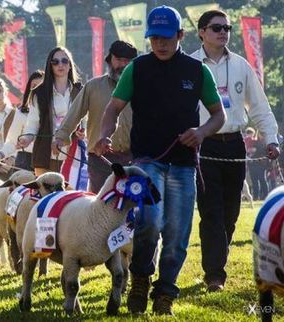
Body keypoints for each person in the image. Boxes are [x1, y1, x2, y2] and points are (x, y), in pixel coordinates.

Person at [93, 6, 225, 315]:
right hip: (146, 160)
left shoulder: (197, 70)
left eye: (166, 38)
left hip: (183, 163)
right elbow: (113, 109)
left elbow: (219, 115)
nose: (160, 45)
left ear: (180, 35)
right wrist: (104, 134)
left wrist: (201, 131)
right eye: (154, 39)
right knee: (149, 222)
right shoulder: (136, 69)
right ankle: (140, 277)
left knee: (178, 233)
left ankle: (165, 292)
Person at [191, 9, 280, 292]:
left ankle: (218, 256)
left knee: (231, 212)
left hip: (235, 145)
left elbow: (259, 106)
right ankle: (214, 274)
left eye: (227, 27)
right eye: (216, 28)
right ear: (202, 32)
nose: (223, 32)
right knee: (212, 211)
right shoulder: (190, 65)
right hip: (203, 146)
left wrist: (271, 140)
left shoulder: (241, 65)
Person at [54, 40, 138, 193]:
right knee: (100, 207)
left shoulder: (142, 88)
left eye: (128, 61)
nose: (123, 65)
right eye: (119, 60)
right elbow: (75, 112)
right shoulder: (93, 86)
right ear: (109, 60)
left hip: (134, 158)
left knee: (133, 206)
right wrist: (61, 136)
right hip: (100, 158)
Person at [17, 47, 82, 176]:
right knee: (45, 195)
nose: (60, 65)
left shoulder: (80, 91)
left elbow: (85, 119)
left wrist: (83, 131)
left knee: (70, 195)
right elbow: (33, 122)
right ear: (49, 65)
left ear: (70, 65)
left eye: (64, 61)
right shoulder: (39, 92)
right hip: (45, 155)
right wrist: (26, 138)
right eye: (55, 62)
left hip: (74, 156)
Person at [0, 70, 44, 171]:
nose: (37, 90)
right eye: (34, 86)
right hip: (25, 161)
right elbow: (12, 141)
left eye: (41, 86)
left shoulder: (55, 112)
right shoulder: (21, 112)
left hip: (48, 161)